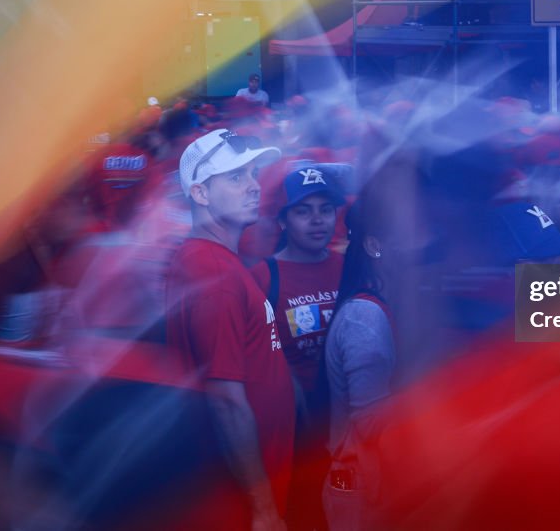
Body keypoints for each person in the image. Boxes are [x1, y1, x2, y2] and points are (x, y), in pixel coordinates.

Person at [165, 129, 294, 530]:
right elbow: (224, 400)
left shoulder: (212, 260)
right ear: (201, 194)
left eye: (254, 174)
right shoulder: (214, 272)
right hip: (239, 499)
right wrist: (263, 509)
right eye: (236, 177)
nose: (254, 186)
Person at [250, 164, 347, 531]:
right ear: (282, 221)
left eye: (325, 209)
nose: (317, 220)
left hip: (345, 428)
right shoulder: (262, 277)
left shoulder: (349, 267)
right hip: (296, 435)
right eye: (303, 211)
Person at [322, 198, 397, 531]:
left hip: (364, 484)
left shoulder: (371, 305)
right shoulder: (364, 317)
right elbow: (370, 423)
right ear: (374, 245)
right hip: (360, 490)